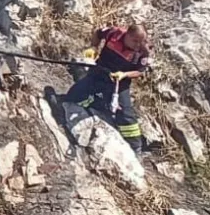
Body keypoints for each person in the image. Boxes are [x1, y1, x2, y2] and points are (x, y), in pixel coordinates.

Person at [65, 24, 153, 153]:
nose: (138, 44)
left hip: (119, 82)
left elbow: (140, 71)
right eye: (135, 40)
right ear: (127, 35)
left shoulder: (143, 51)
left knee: (124, 114)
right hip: (100, 71)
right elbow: (98, 33)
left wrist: (124, 75)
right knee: (73, 96)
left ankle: (136, 147)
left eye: (141, 41)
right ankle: (97, 102)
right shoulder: (114, 33)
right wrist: (93, 47)